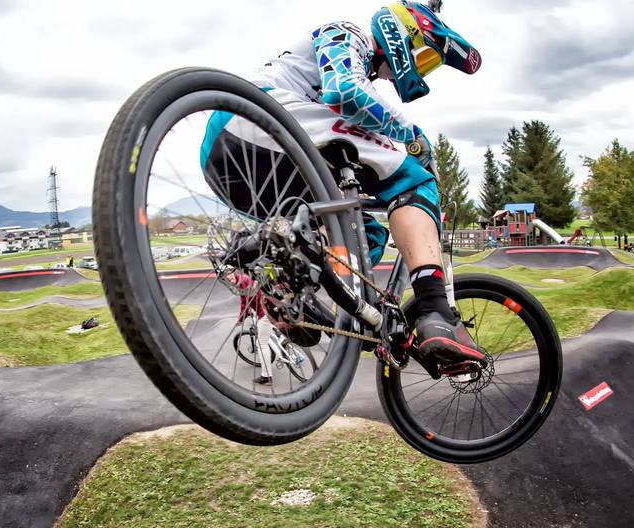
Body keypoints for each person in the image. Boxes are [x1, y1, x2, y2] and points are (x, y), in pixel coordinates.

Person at [201, 1, 486, 370]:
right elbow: (345, 92)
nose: (412, 72)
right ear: (406, 37)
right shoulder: (348, 34)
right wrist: (413, 135)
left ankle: (282, 285)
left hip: (231, 159)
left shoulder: (353, 62)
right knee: (414, 178)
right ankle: (434, 311)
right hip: (259, 119)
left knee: (364, 234)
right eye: (424, 59)